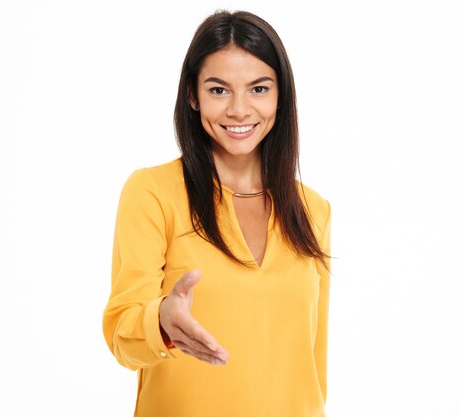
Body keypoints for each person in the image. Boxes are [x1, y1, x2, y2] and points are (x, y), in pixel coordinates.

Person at [102, 10, 331, 417]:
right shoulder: (152, 192)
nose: (240, 110)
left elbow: (312, 362)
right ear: (192, 95)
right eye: (219, 90)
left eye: (259, 89)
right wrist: (161, 322)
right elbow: (122, 331)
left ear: (281, 96)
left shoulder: (313, 210)